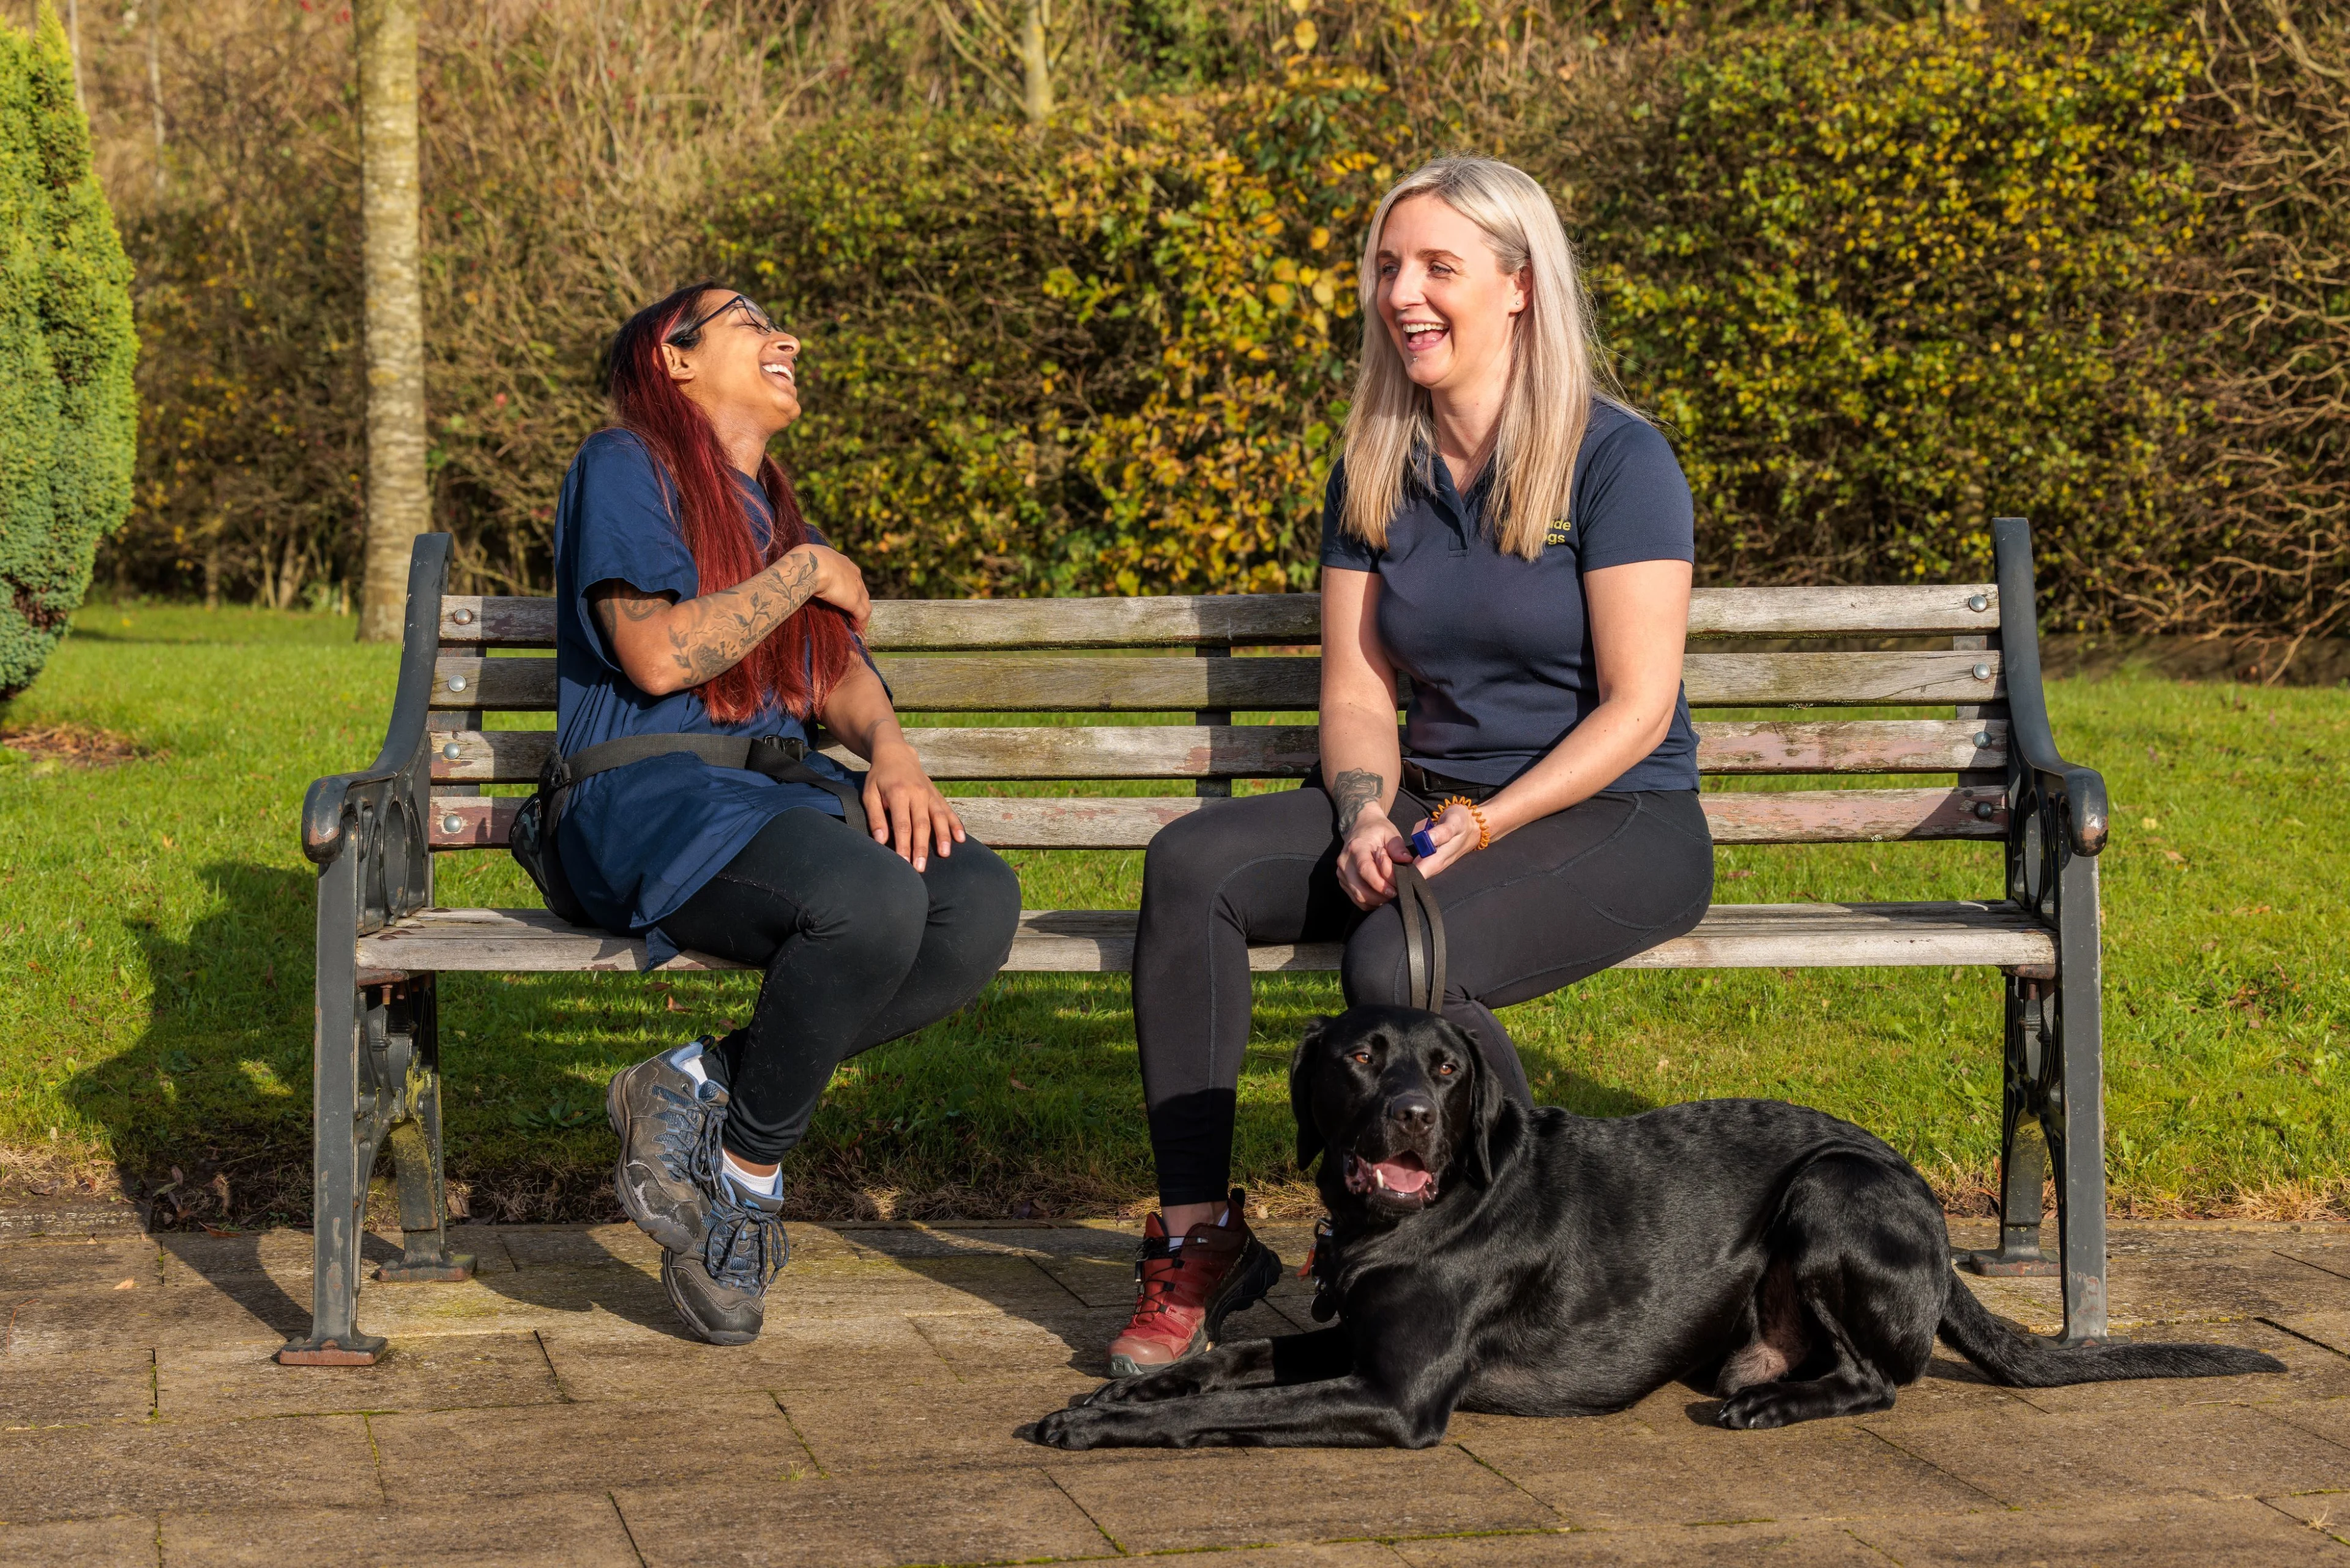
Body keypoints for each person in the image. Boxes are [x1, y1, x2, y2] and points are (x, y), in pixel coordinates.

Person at [1106, 158, 1715, 1375]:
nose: (1403, 293)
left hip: (1615, 813)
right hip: (1433, 806)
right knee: (1194, 865)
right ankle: (1200, 1241)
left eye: (1439, 266)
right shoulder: (1376, 462)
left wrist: (1484, 826)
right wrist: (1363, 810)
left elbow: (1641, 708)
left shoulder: (1617, 460)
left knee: (1398, 960)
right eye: (1389, 267)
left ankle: (1507, 1262)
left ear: (1520, 286)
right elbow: (1357, 686)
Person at [559, 282, 1022, 1346]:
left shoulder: (769, 504)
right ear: (674, 361)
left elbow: (837, 673)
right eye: (752, 322)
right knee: (868, 899)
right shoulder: (626, 466)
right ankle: (753, 1187)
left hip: (772, 800)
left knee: (972, 902)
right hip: (644, 799)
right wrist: (806, 568)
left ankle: (698, 1096)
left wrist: (894, 750)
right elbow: (655, 651)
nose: (788, 338)